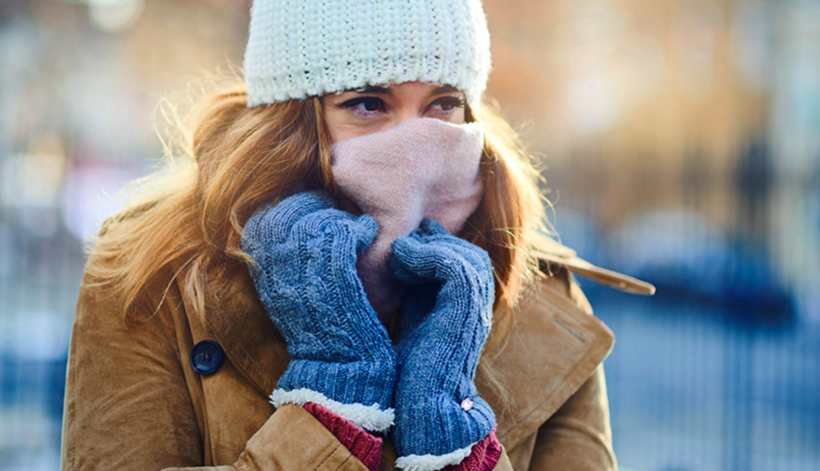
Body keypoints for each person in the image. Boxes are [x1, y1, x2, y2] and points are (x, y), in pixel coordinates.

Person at [60, 0, 655, 470]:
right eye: (368, 103)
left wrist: (455, 445)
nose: (416, 142)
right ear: (290, 121)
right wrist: (329, 413)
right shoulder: (153, 276)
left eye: (443, 105)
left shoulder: (543, 301)